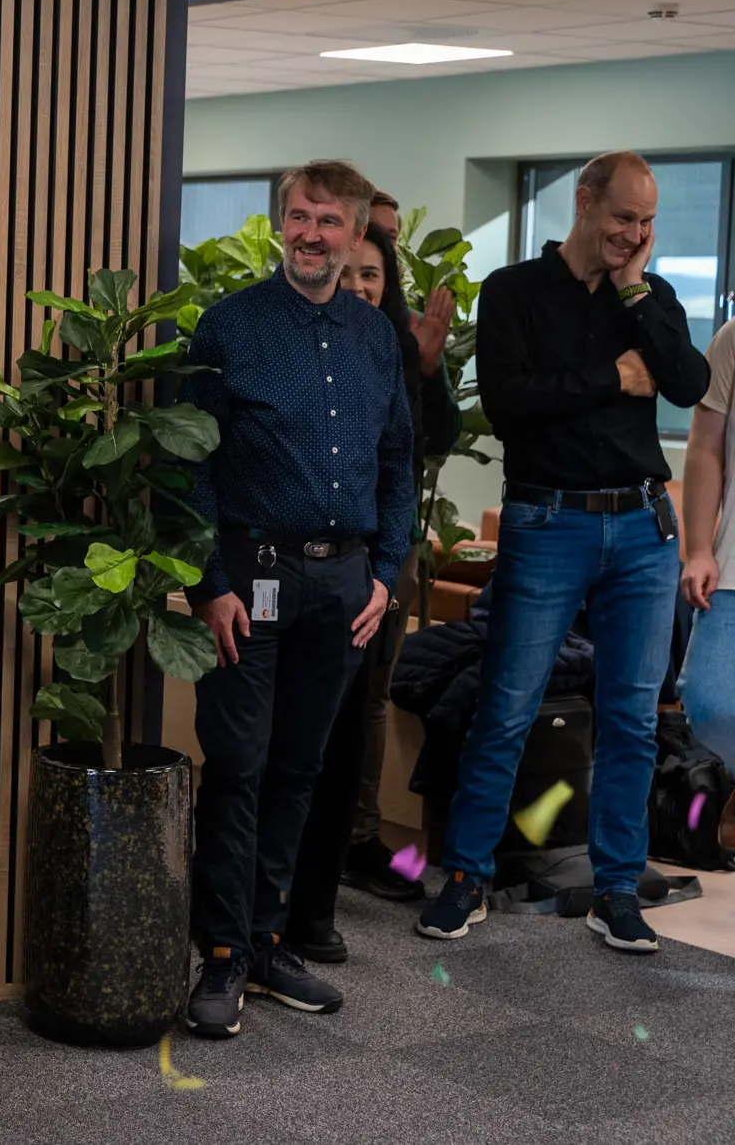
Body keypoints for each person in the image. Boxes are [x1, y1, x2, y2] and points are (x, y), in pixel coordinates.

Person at [419, 151, 709, 953]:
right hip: (548, 523)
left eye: (647, 222)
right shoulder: (513, 291)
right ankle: (466, 876)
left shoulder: (649, 297)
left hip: (643, 528)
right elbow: (511, 404)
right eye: (623, 217)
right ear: (584, 203)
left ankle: (616, 890)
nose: (635, 234)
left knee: (632, 720)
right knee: (506, 708)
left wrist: (636, 295)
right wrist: (613, 378)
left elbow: (687, 383)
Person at [180, 159, 414, 1039]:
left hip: (344, 583)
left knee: (300, 769)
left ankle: (267, 941)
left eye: (327, 221)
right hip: (251, 576)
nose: (310, 234)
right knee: (239, 764)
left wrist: (386, 572)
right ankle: (222, 951)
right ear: (283, 222)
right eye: (298, 216)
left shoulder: (375, 335)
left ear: (356, 234)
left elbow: (398, 459)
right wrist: (208, 582)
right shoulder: (230, 324)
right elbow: (189, 460)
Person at [285, 220, 458, 965]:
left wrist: (429, 366)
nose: (358, 286)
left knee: (366, 703)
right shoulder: (303, 340)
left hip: (381, 558)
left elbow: (429, 441)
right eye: (349, 271)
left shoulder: (396, 348)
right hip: (303, 562)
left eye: (372, 276)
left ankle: (349, 847)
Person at [677, 319, 735, 849]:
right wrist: (699, 549)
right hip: (733, 565)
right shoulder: (733, 338)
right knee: (708, 702)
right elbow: (705, 448)